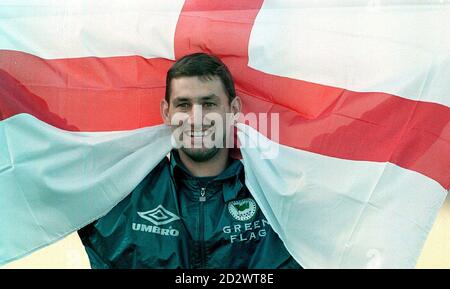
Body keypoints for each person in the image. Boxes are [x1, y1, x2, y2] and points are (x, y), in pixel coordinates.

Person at [78, 53, 301, 269]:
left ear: (233, 110)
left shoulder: (274, 194)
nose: (196, 119)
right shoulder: (124, 195)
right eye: (183, 105)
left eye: (209, 104)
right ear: (166, 112)